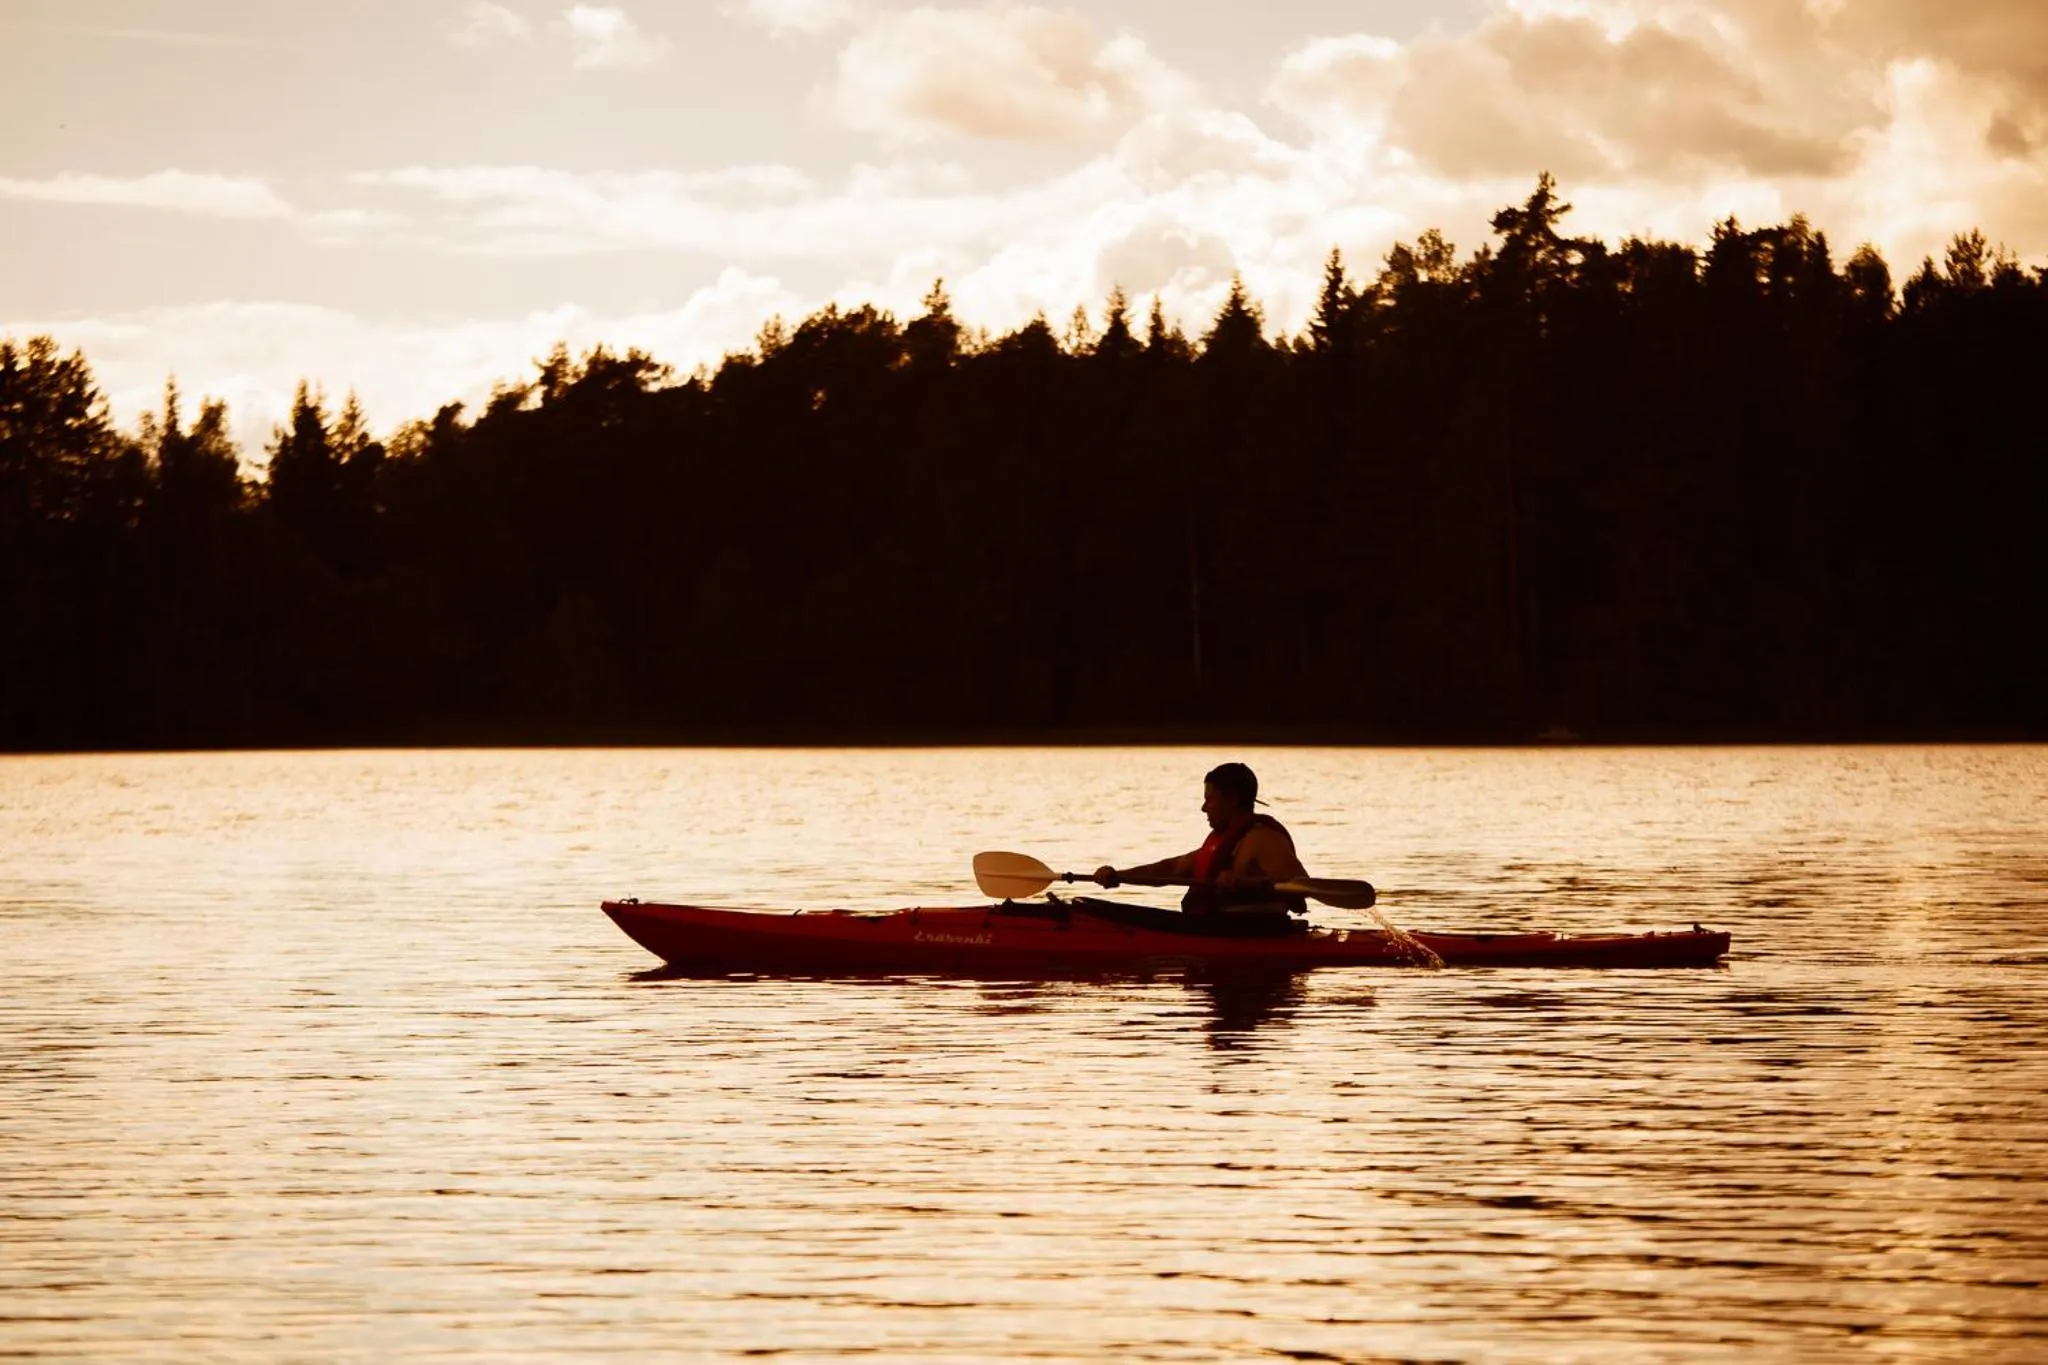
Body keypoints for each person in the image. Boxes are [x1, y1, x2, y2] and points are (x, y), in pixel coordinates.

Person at [1093, 762, 1309, 918]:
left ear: (1232, 799)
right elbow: (1170, 869)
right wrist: (1118, 876)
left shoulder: (1263, 840)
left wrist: (1245, 882)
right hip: (1214, 929)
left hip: (1256, 937)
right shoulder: (1226, 842)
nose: (1204, 808)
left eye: (1210, 799)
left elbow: (1301, 886)